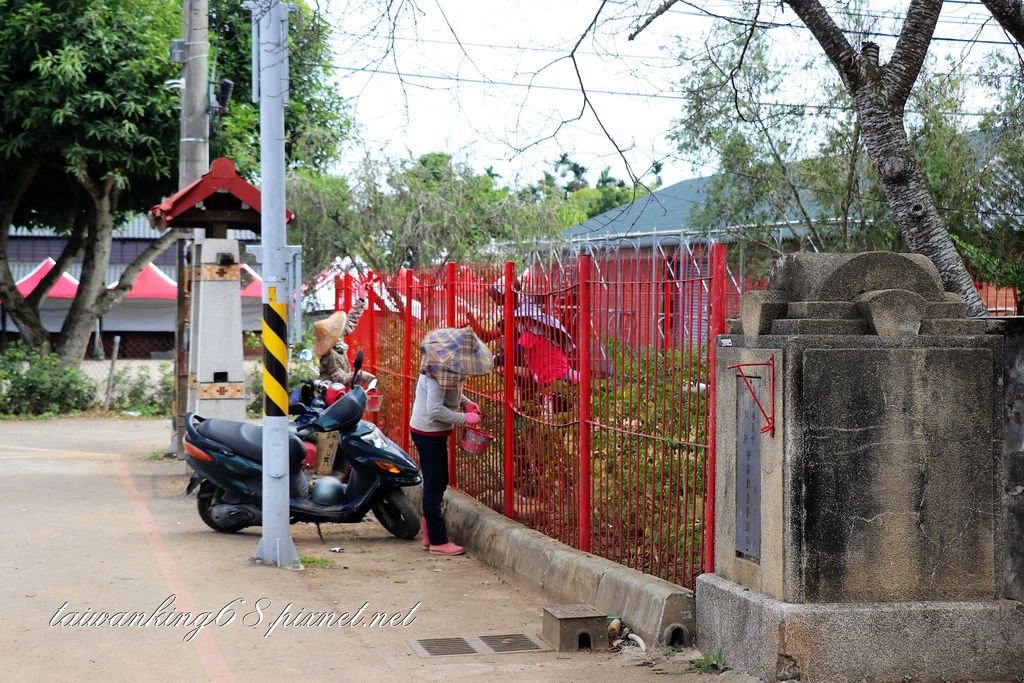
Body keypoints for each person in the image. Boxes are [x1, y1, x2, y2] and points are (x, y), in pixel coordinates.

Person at [409, 327, 492, 556]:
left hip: (431, 433)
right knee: (436, 484)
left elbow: (453, 390)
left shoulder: (446, 370)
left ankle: (428, 536)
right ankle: (437, 541)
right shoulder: (435, 376)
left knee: (435, 482)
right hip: (428, 433)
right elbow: (435, 410)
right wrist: (465, 418)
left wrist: (465, 402)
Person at [314, 280, 376, 386]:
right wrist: (359, 375)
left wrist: (361, 298)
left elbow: (350, 320)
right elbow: (339, 379)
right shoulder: (330, 355)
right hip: (331, 396)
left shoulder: (337, 343)